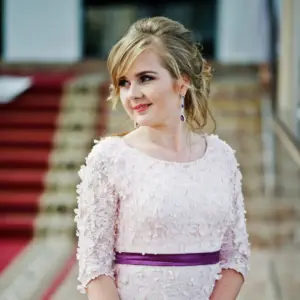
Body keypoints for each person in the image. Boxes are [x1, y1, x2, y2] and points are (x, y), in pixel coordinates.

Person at [75, 16, 250, 300]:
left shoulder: (222, 157)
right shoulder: (109, 158)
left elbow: (236, 255)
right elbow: (95, 267)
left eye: (145, 78)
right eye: (124, 82)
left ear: (181, 83)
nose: (132, 94)